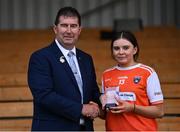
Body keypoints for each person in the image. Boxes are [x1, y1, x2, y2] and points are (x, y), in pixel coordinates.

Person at [28, 6, 101, 131]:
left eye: (73, 26)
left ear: (79, 30)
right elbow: (44, 96)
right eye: (64, 25)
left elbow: (92, 92)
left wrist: (101, 99)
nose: (69, 31)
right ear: (55, 29)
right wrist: (81, 109)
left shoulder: (86, 58)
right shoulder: (40, 57)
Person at [100, 30, 164, 131]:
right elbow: (106, 113)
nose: (121, 52)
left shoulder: (147, 72)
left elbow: (159, 112)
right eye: (116, 48)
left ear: (135, 50)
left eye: (126, 48)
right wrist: (96, 108)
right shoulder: (106, 74)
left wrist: (133, 108)